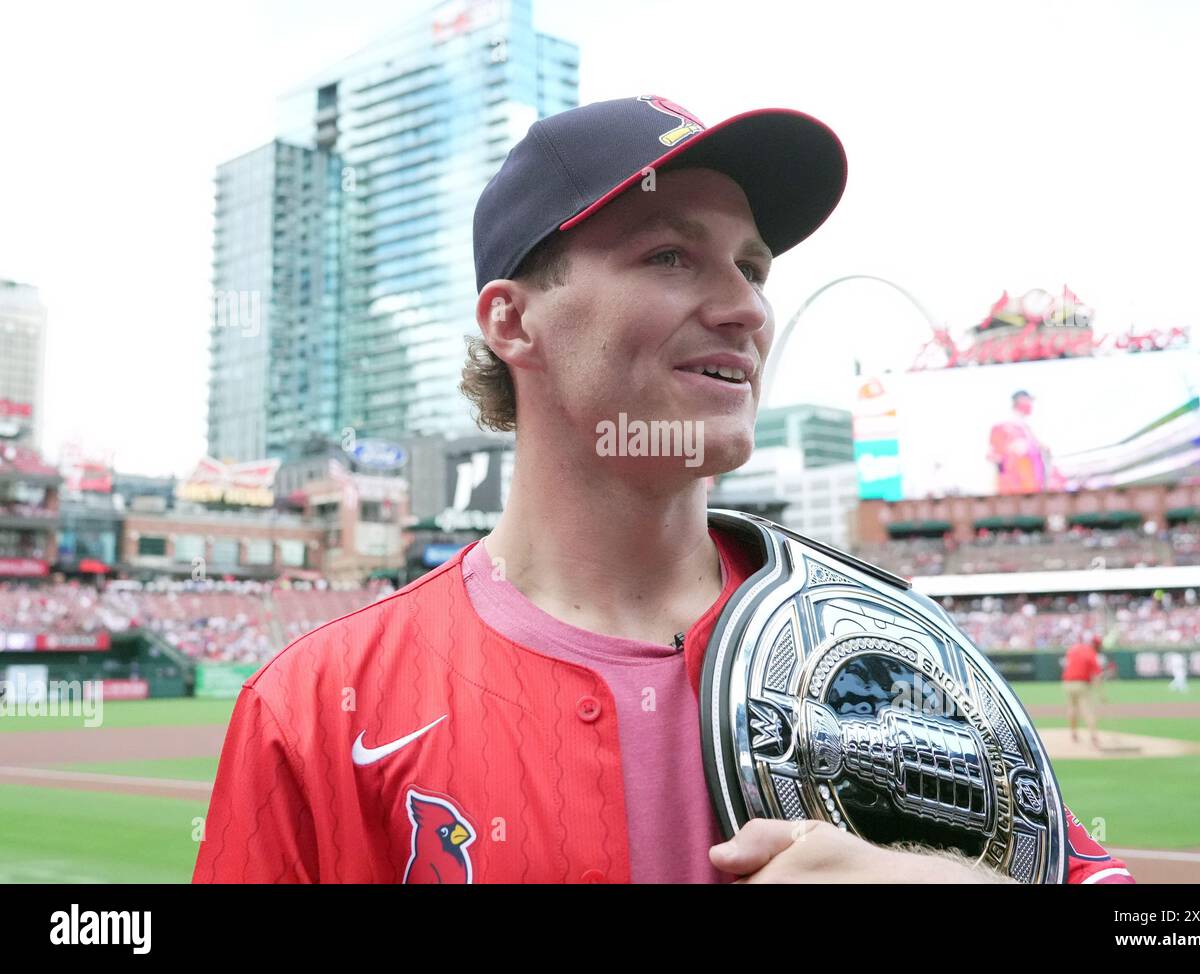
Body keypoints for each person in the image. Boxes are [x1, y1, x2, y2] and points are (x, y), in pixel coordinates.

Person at [193, 95, 1132, 885]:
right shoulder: (315, 705)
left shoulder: (888, 647)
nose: (748, 308)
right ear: (513, 322)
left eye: (753, 267)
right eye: (670, 257)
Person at [1062, 634, 1103, 748]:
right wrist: (1101, 693)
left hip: (1068, 683)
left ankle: (1073, 734)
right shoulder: (1091, 653)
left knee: (1072, 708)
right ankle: (1094, 736)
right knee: (1087, 709)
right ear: (1096, 645)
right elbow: (1097, 675)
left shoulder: (1074, 649)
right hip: (1081, 683)